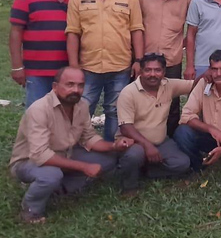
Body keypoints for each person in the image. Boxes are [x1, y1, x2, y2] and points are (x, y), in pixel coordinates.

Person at [9, 67, 133, 223]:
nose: (76, 90)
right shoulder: (39, 110)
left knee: (108, 160)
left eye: (81, 85)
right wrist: (83, 167)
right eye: (70, 84)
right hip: (29, 161)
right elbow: (40, 155)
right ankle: (30, 210)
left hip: (64, 154)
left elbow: (89, 137)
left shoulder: (81, 105)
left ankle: (60, 190)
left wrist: (115, 146)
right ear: (55, 87)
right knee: (51, 175)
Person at [66, 0, 144, 141]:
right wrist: (73, 65)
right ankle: (76, 149)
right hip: (88, 66)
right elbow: (73, 32)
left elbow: (136, 30)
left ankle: (111, 149)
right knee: (82, 110)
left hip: (120, 66)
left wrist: (139, 60)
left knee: (114, 110)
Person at [115, 53, 199, 193]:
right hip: (134, 142)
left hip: (161, 142)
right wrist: (147, 146)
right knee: (134, 156)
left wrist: (208, 74)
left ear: (164, 72)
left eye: (157, 70)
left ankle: (145, 169)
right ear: (141, 71)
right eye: (148, 70)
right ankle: (129, 186)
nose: (152, 74)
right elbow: (125, 127)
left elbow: (194, 85)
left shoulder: (169, 85)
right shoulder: (128, 92)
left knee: (182, 163)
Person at [10, 0, 75, 107]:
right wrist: (17, 66)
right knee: (37, 115)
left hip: (67, 70)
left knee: (65, 113)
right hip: (37, 70)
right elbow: (15, 32)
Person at [136, 0, 191, 137]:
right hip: (146, 60)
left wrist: (181, 47)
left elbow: (191, 29)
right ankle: (145, 138)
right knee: (143, 100)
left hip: (171, 60)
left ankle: (171, 139)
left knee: (171, 102)